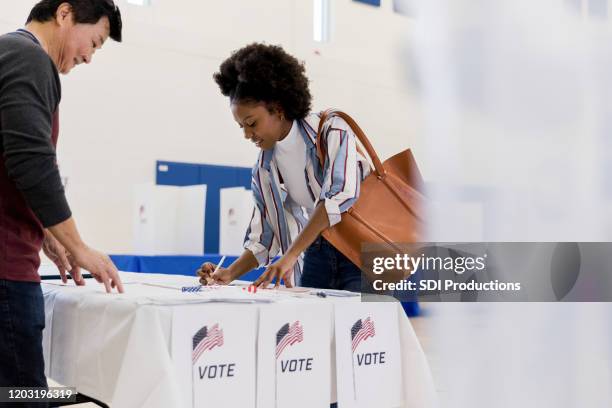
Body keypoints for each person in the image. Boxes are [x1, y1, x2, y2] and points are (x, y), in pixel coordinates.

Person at [0, 0, 124, 397]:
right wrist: (78, 245)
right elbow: (31, 161)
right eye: (95, 42)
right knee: (24, 395)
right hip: (6, 270)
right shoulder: (29, 57)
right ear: (65, 14)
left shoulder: (10, 53)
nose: (89, 56)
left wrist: (50, 237)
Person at [198, 43, 370, 291]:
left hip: (362, 249)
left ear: (278, 109)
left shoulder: (333, 128)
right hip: (318, 253)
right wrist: (229, 273)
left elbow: (337, 195)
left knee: (364, 326)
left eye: (252, 123)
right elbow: (265, 238)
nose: (247, 134)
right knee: (314, 327)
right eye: (241, 127)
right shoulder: (264, 169)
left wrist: (289, 256)